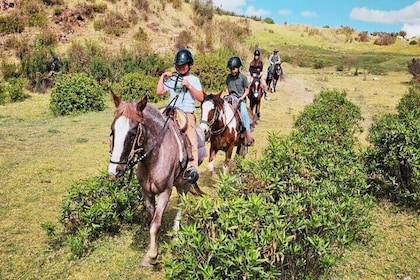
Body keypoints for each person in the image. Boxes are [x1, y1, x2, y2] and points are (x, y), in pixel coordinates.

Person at [156, 49, 204, 184]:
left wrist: (189, 86)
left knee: (191, 135)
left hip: (187, 112)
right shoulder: (172, 79)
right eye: (178, 65)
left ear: (190, 64)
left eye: (183, 65)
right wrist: (162, 77)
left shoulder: (194, 79)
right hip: (172, 111)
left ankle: (193, 167)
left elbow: (200, 98)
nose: (181, 67)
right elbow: (159, 92)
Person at [225, 56, 254, 146]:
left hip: (240, 100)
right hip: (230, 98)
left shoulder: (243, 78)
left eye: (234, 69)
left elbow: (247, 90)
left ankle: (248, 134)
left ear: (238, 68)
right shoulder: (229, 77)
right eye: (231, 69)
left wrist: (241, 98)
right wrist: (226, 94)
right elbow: (227, 88)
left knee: (244, 113)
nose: (232, 71)